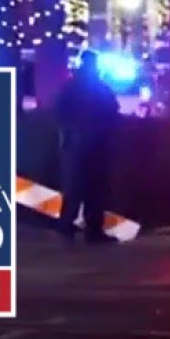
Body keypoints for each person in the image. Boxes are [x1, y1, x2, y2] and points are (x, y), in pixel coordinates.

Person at [55, 50, 120, 244]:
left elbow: (61, 112)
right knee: (95, 189)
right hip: (95, 143)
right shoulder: (99, 87)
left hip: (76, 143)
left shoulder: (71, 87)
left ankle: (66, 225)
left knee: (74, 187)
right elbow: (113, 110)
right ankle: (93, 230)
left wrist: (66, 136)